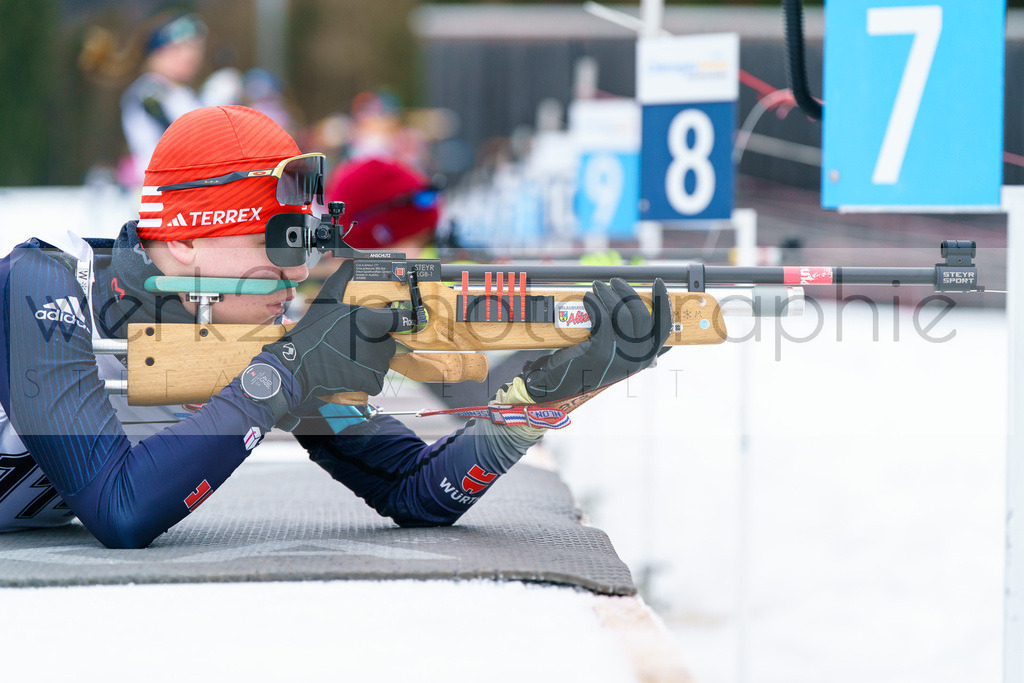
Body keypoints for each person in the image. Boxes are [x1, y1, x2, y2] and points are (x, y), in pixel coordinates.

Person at [0, 105, 670, 549]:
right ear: (184, 240)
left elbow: (416, 490)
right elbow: (119, 508)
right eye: (275, 242)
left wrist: (540, 398)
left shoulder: (253, 334)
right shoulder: (43, 283)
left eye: (304, 242)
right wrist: (283, 374)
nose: (296, 271)